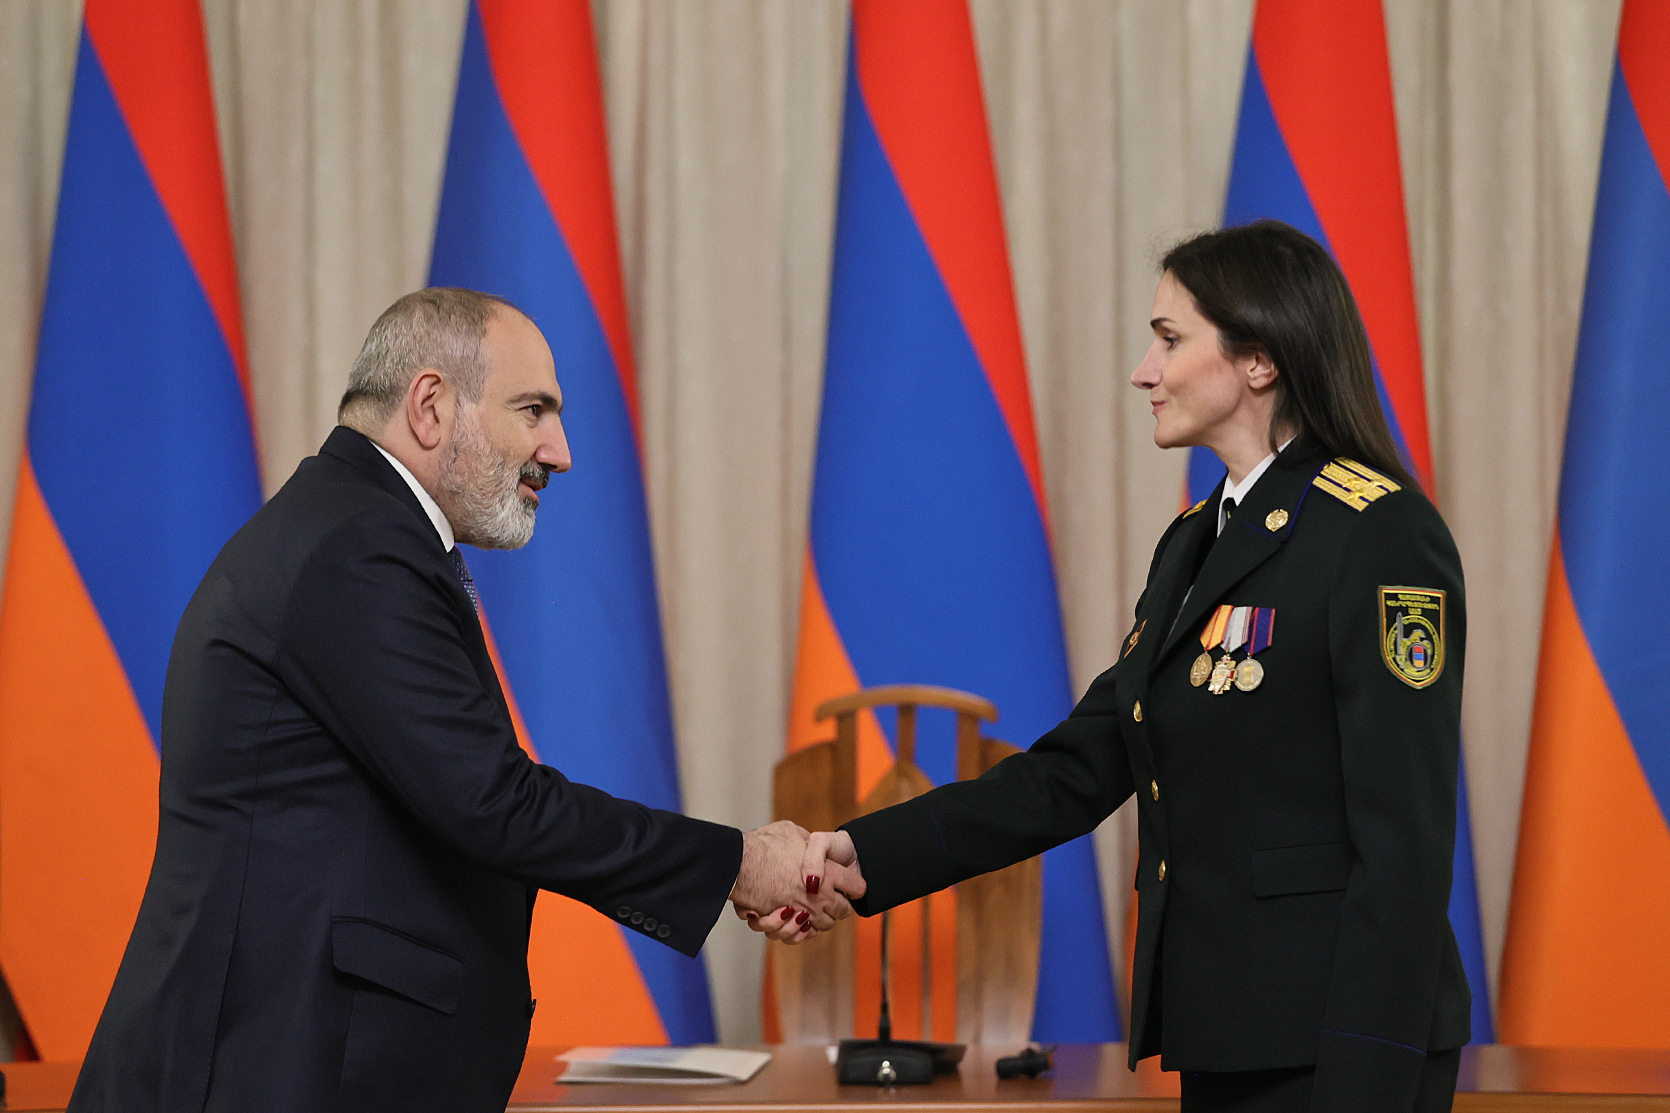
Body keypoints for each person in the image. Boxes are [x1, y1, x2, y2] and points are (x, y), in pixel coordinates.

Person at [69, 288, 855, 1113]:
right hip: (269, 1075)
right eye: (533, 409)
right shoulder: (359, 544)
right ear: (432, 405)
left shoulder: (350, 526)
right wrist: (737, 863)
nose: (560, 451)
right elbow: (494, 802)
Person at [777, 221, 1470, 1113]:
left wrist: (1366, 1080)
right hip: (1226, 1035)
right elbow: (1074, 771)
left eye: (1170, 339)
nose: (1145, 371)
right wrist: (861, 853)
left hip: (1337, 1053)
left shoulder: (1376, 532)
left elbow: (1405, 849)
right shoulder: (1194, 543)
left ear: (1260, 361)